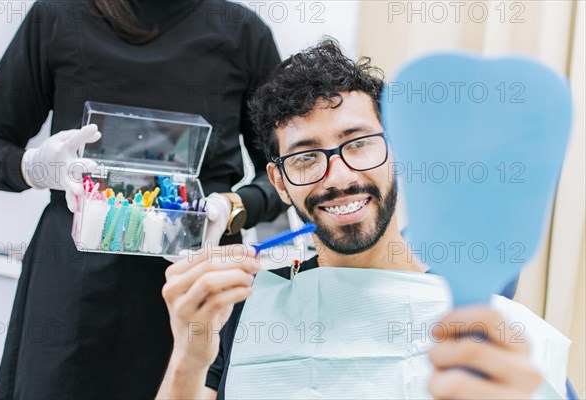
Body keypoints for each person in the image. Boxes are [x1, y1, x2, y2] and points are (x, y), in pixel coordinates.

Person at [157, 41, 553, 399]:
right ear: (278, 182)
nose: (340, 177)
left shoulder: (471, 318)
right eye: (306, 157)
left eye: (359, 144)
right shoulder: (243, 310)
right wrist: (189, 357)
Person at [0, 0, 284, 398]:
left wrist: (233, 207)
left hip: (196, 286)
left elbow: (286, 169)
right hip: (75, 292)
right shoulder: (59, 15)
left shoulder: (243, 32)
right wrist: (34, 167)